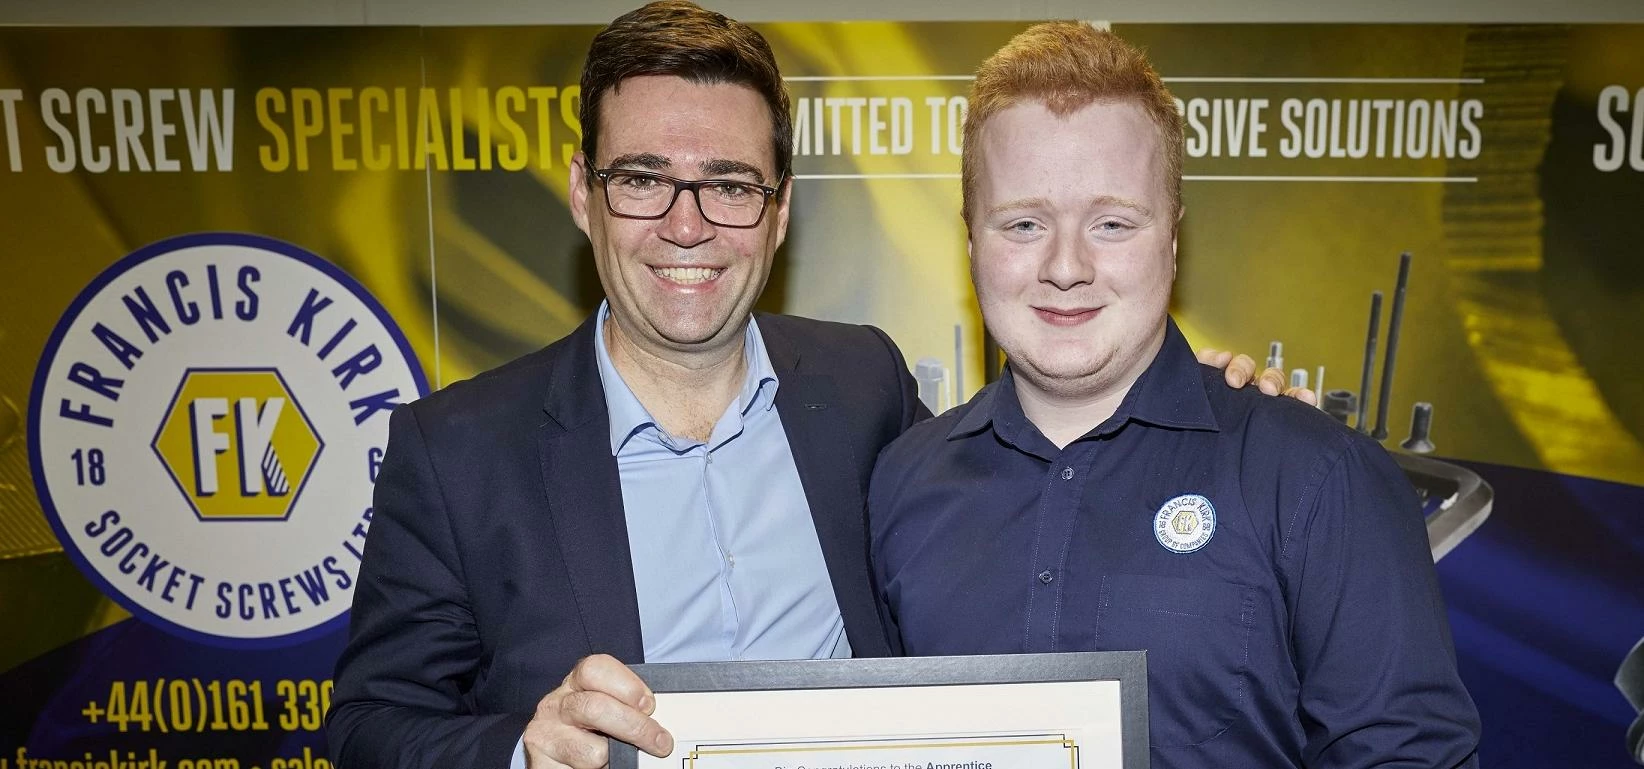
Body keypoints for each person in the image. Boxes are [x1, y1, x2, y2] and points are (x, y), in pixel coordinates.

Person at [326, 5, 1299, 769]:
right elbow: (366, 727)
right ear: (585, 192)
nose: (687, 223)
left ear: (779, 208)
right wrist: (518, 748)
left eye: (731, 183)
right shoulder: (456, 450)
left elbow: (1029, 485)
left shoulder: (860, 384)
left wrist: (1193, 403)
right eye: (643, 179)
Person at [867, 21, 1481, 769]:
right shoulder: (900, 485)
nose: (1067, 266)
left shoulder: (1316, 477)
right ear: (971, 241)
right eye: (1024, 223)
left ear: (1173, 237)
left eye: (1113, 223)